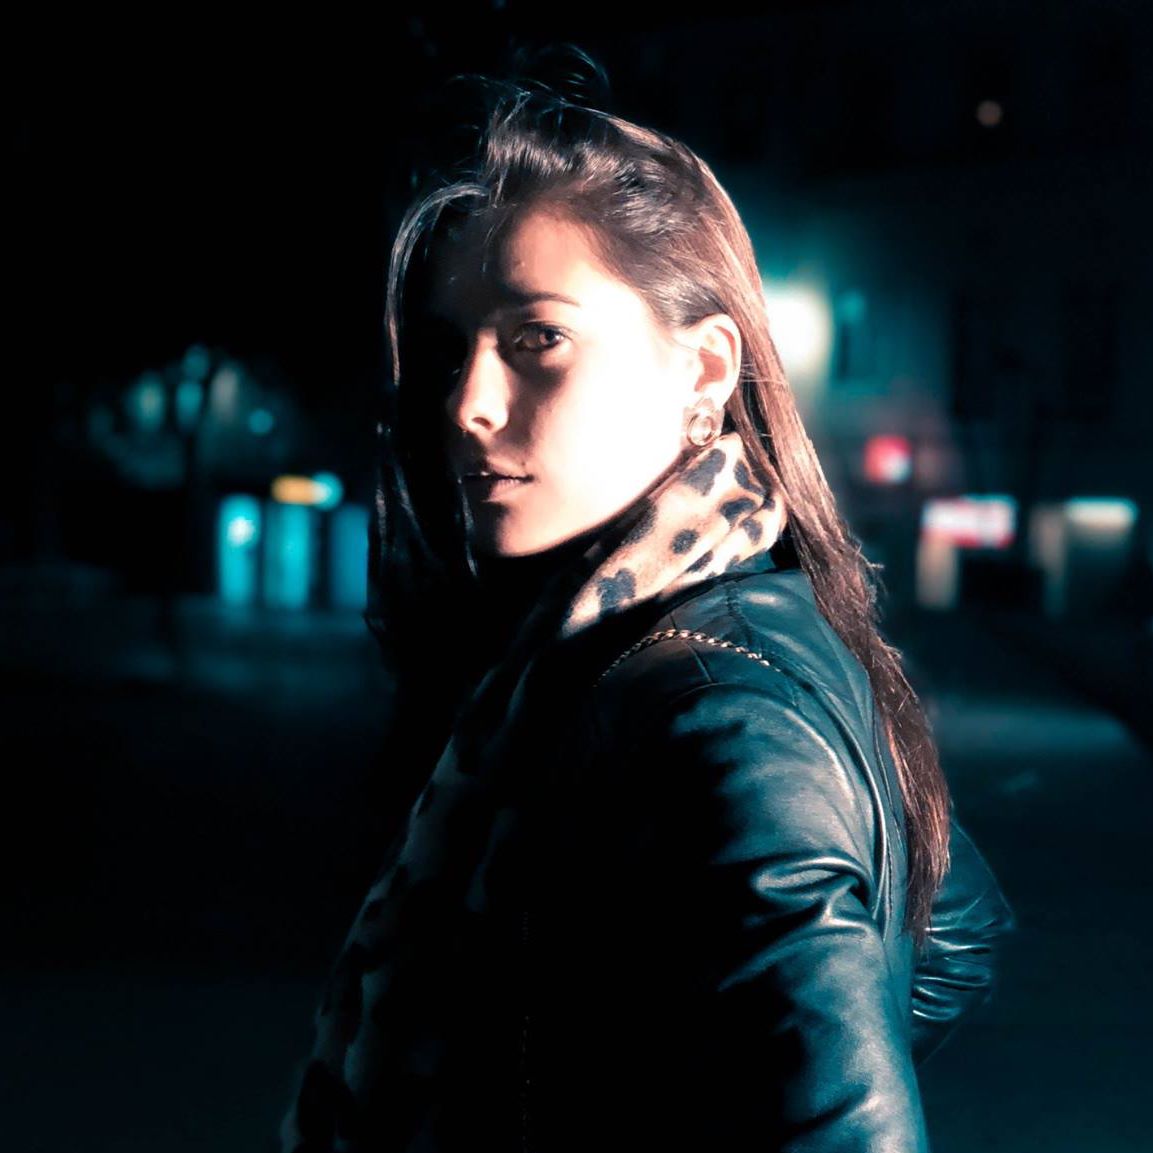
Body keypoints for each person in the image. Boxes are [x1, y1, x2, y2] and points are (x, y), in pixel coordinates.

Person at [278, 49, 1016, 1153]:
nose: (468, 402)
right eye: (452, 351)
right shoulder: (626, 643)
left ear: (705, 372)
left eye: (536, 339)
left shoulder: (716, 708)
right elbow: (952, 932)